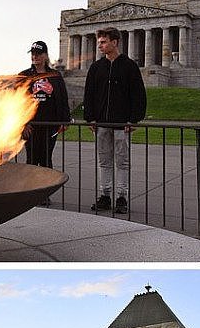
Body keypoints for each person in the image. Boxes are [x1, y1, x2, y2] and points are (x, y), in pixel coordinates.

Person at [84, 26, 147, 215]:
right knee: (104, 161)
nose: (100, 46)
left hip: (121, 123)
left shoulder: (129, 66)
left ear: (115, 42)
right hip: (102, 122)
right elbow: (89, 94)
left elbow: (138, 95)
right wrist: (91, 118)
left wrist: (133, 119)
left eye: (103, 42)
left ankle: (121, 197)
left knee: (122, 162)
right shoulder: (96, 67)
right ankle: (105, 195)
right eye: (99, 42)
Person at [18, 41, 71, 170]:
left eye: (38, 54)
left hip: (50, 125)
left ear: (45, 56)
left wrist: (65, 120)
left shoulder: (55, 75)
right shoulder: (24, 75)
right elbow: (17, 101)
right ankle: (31, 188)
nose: (35, 57)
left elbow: (63, 98)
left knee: (46, 159)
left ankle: (46, 187)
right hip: (31, 125)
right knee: (31, 159)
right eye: (33, 54)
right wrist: (22, 124)